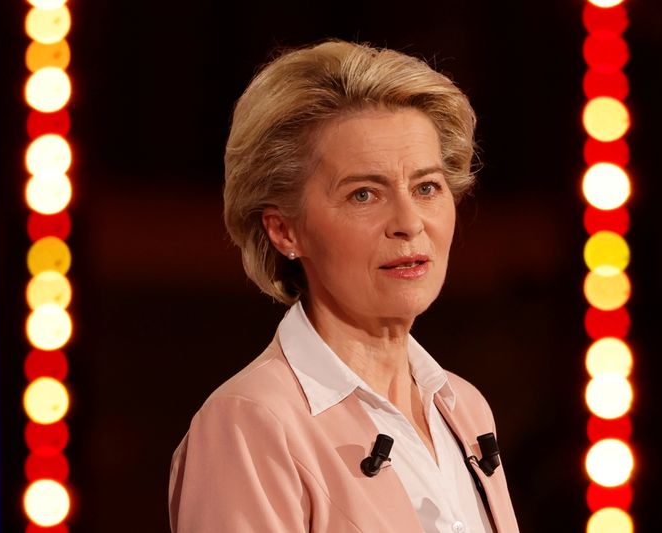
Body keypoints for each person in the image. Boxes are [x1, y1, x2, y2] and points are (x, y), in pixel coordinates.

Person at [168, 39, 519, 533]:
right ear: (284, 230)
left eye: (427, 187)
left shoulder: (462, 406)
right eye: (363, 194)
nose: (408, 222)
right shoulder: (250, 423)